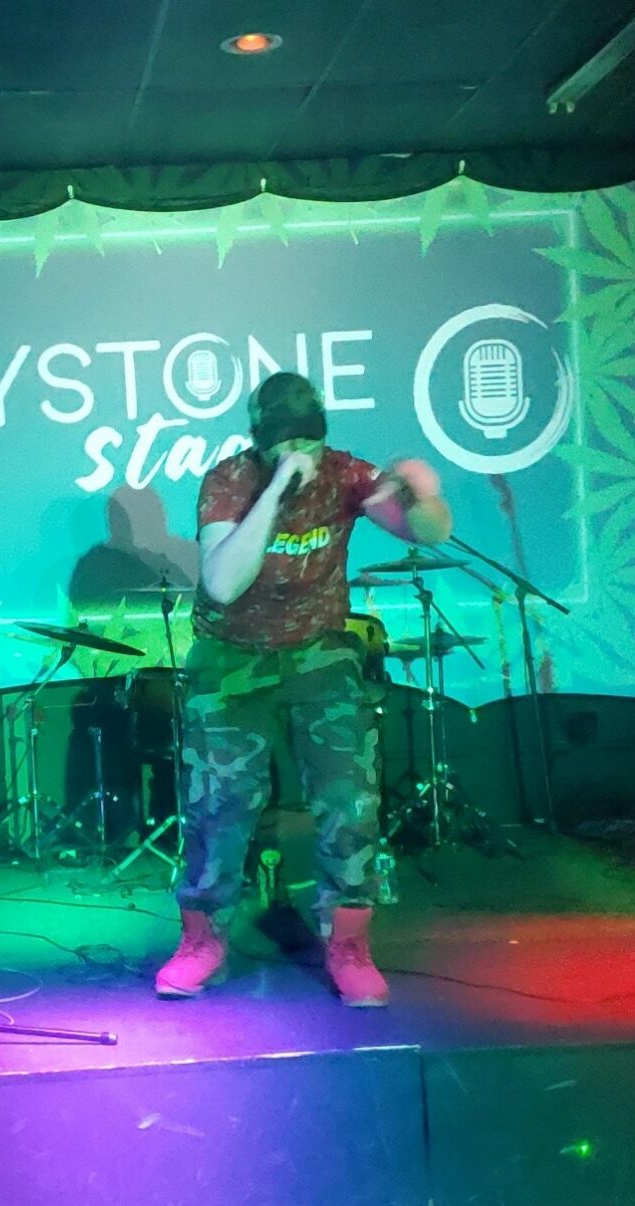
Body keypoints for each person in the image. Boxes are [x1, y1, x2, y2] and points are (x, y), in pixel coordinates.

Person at [154, 372, 452, 1007]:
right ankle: (201, 942)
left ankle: (349, 946)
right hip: (231, 657)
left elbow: (428, 531)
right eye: (285, 442)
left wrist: (423, 494)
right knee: (219, 806)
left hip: (319, 652)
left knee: (350, 799)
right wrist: (276, 491)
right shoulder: (231, 481)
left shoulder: (347, 474)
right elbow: (223, 583)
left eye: (308, 441)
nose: (300, 452)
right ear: (260, 440)